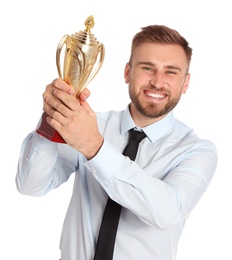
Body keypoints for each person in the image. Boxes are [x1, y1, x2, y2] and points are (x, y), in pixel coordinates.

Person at [16, 24, 217, 260]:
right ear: (127, 72)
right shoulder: (90, 125)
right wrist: (53, 118)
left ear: (185, 83)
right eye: (147, 68)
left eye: (171, 72)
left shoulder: (196, 151)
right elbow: (31, 185)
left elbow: (166, 213)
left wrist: (95, 147)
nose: (157, 81)